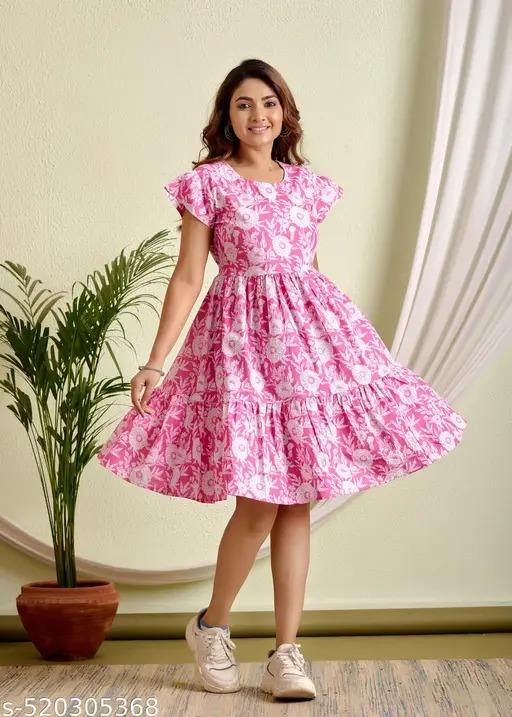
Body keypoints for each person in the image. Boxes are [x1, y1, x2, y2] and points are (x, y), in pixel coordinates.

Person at [97, 58, 467, 700]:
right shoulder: (209, 184)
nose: (258, 115)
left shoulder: (308, 187)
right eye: (244, 104)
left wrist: (338, 351)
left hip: (307, 346)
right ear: (227, 116)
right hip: (241, 349)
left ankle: (286, 653)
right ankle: (212, 627)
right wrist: (156, 361)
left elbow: (309, 270)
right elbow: (188, 276)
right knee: (258, 502)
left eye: (269, 103)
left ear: (285, 112)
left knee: (299, 501)